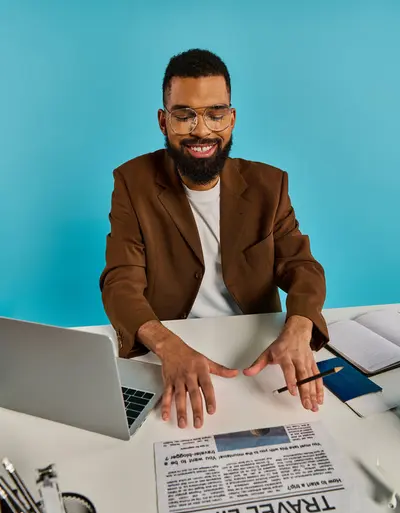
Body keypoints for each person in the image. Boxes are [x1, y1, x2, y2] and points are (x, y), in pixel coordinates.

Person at [100, 49, 328, 430]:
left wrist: (299, 327)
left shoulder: (269, 185)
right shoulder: (132, 182)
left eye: (215, 114)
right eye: (184, 115)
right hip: (172, 350)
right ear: (163, 122)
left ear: (232, 119)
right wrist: (168, 345)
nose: (202, 130)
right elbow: (120, 281)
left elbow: (301, 266)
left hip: (256, 354)